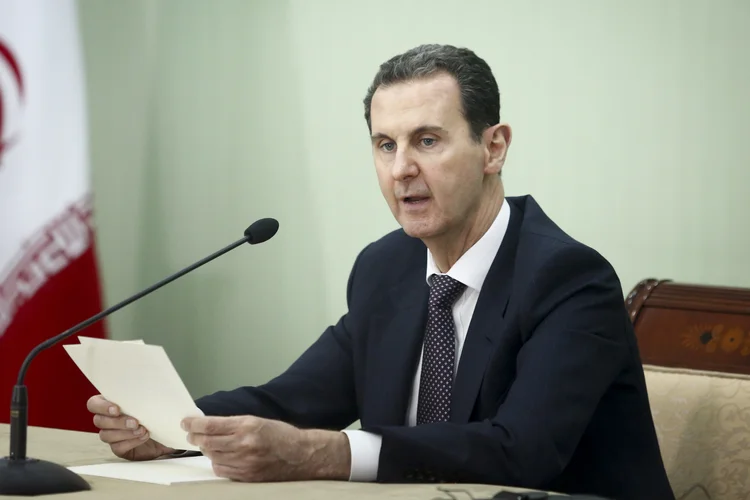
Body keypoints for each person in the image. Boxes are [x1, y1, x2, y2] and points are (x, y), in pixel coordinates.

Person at [87, 44, 675, 499]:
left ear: (493, 148)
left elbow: (520, 453)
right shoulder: (386, 266)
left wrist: (326, 455)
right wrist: (169, 425)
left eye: (427, 140)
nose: (401, 170)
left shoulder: (569, 278)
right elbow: (293, 402)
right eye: (384, 145)